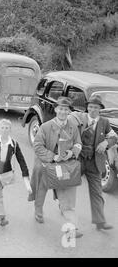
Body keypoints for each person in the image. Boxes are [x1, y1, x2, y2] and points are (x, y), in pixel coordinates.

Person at [30, 97, 83, 238]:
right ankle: (38, 210)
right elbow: (37, 145)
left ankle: (72, 226)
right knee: (41, 189)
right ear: (55, 109)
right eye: (60, 109)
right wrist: (52, 156)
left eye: (66, 109)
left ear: (69, 111)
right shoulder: (45, 126)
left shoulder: (73, 126)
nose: (63, 112)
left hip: (64, 166)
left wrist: (71, 152)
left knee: (65, 192)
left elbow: (78, 144)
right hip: (45, 164)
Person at [69, 94, 117, 230]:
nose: (92, 110)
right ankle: (64, 206)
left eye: (95, 107)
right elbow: (67, 122)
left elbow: (114, 137)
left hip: (94, 162)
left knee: (97, 191)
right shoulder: (79, 117)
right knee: (68, 187)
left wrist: (106, 142)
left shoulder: (104, 122)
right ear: (87, 108)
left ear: (100, 109)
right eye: (90, 107)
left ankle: (99, 221)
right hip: (78, 160)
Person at [0, 119, 30, 226]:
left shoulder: (13, 143)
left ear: (10, 129)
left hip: (6, 172)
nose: (4, 130)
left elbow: (21, 159)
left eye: (7, 128)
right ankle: (2, 217)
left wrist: (25, 173)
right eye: (2, 128)